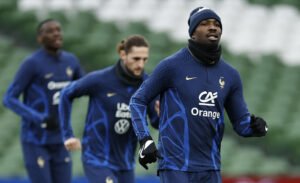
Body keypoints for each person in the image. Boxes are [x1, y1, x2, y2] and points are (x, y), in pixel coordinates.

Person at [129, 7, 268, 183]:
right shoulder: (171, 66)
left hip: (210, 168)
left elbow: (242, 124)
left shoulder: (230, 75)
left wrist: (256, 127)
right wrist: (145, 139)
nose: (213, 27)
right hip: (175, 167)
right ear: (193, 33)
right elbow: (137, 101)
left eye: (217, 24)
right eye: (205, 23)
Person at [59, 35, 159, 183]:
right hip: (97, 159)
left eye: (144, 59)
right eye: (136, 59)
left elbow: (155, 122)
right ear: (123, 54)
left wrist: (161, 115)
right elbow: (65, 94)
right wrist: (67, 134)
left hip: (126, 163)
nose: (140, 64)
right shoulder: (100, 79)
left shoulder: (148, 85)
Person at [3, 19, 84, 183]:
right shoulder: (31, 63)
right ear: (40, 38)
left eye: (58, 30)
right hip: (35, 140)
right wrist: (40, 119)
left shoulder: (71, 61)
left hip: (61, 139)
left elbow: (86, 86)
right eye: (50, 31)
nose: (56, 33)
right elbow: (9, 98)